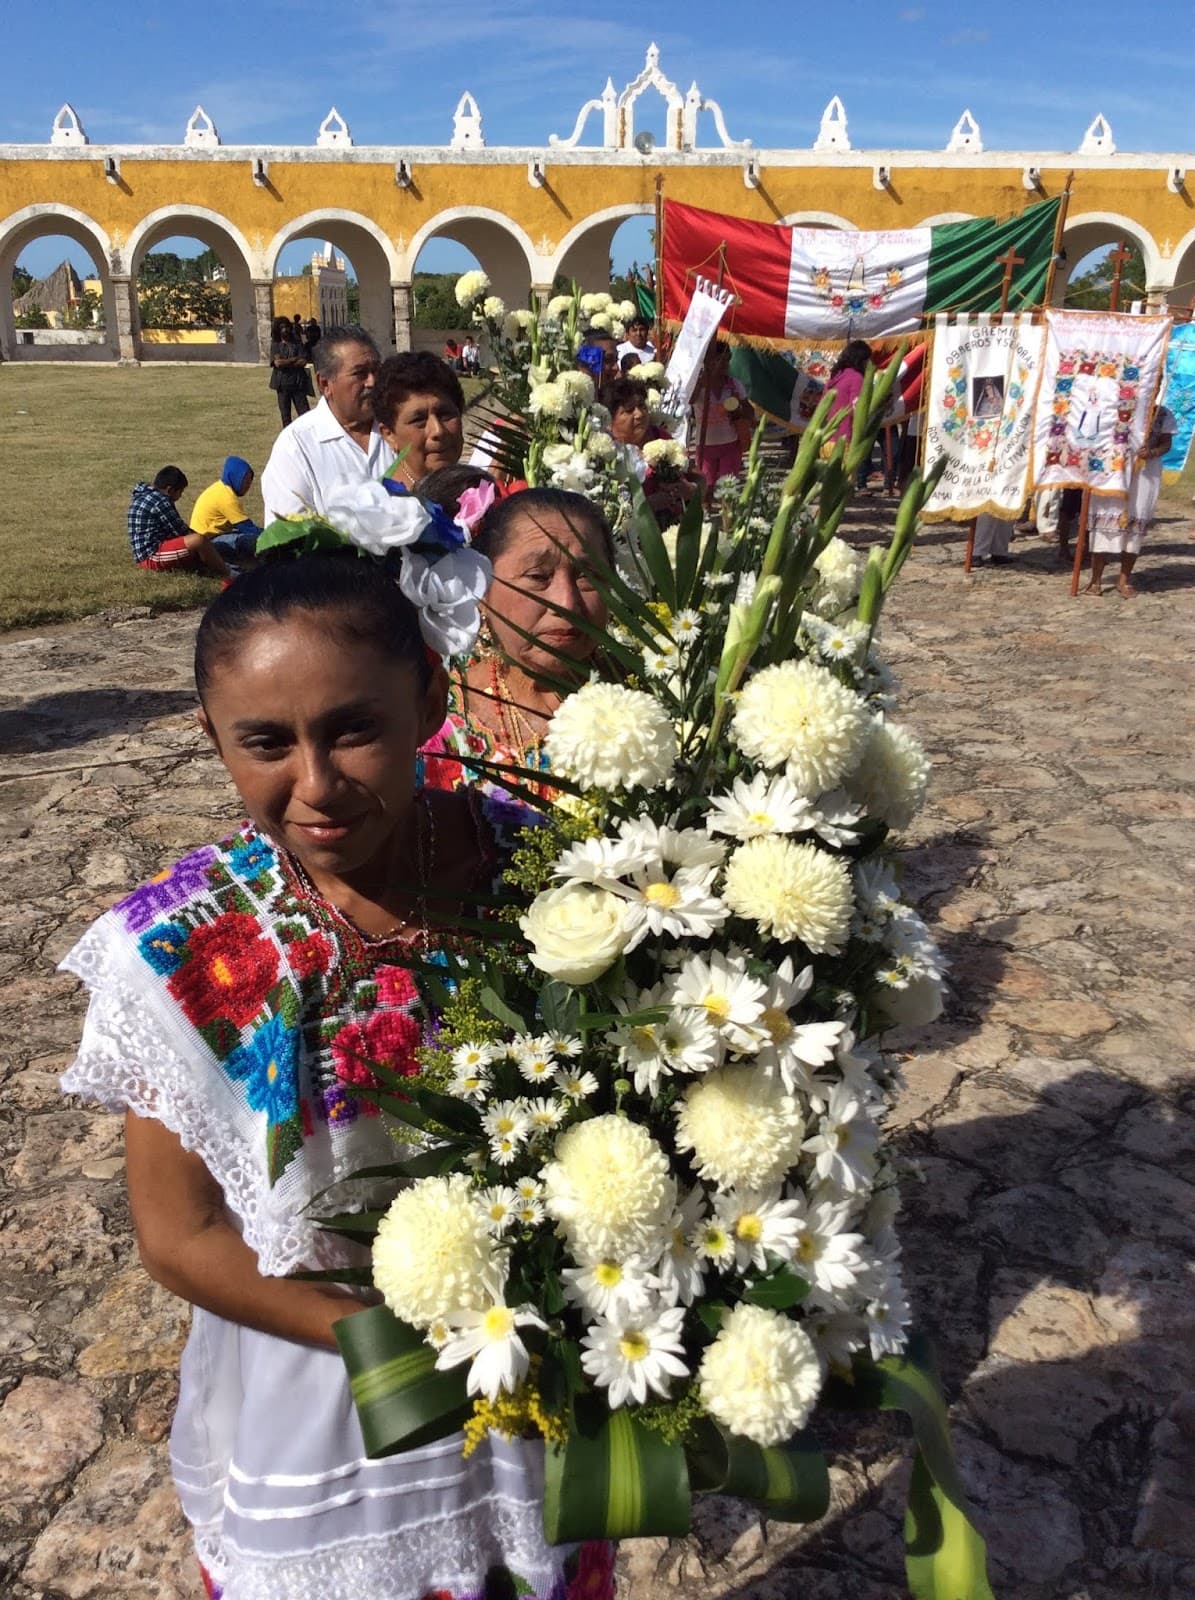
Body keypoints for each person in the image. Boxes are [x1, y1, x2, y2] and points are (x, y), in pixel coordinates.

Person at [57, 553, 615, 1600]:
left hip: (538, 1362)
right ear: (212, 739)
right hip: (326, 1389)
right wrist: (410, 1349)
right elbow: (180, 1237)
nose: (315, 784)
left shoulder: (544, 881)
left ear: (431, 701)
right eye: (266, 742)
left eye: (353, 727)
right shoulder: (182, 948)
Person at [420, 486, 611, 798]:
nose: (567, 602)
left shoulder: (654, 704)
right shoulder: (434, 718)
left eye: (587, 576)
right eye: (538, 576)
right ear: (481, 588)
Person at [261, 327, 387, 523]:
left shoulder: (399, 427)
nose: (372, 381)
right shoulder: (296, 447)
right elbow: (289, 539)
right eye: (360, 373)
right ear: (325, 384)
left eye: (376, 370)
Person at [1085, 403, 1177, 598]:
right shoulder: (1114, 406)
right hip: (1113, 470)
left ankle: (1124, 580)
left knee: (1135, 526)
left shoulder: (1162, 414)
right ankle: (1096, 580)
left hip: (1145, 473)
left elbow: (1166, 443)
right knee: (1104, 524)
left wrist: (1151, 452)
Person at [372, 351, 465, 489]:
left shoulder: (482, 493)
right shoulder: (378, 506)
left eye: (445, 415)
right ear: (389, 435)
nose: (438, 431)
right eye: (419, 420)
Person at [126, 467, 227, 578]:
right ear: (170, 490)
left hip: (144, 553)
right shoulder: (161, 502)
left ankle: (208, 563)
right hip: (151, 556)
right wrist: (204, 543)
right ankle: (227, 572)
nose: (181, 496)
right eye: (180, 492)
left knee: (199, 543)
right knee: (199, 540)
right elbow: (181, 532)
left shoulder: (145, 495)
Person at [690, 342, 751, 489]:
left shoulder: (734, 384)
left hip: (731, 444)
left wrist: (738, 411)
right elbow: (689, 400)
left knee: (728, 487)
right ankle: (706, 509)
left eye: (726, 359)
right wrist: (701, 384)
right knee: (706, 487)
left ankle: (727, 512)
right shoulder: (698, 385)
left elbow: (750, 412)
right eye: (717, 360)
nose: (722, 364)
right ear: (707, 362)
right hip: (705, 446)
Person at [190, 456, 263, 569]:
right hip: (209, 543)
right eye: (245, 480)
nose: (248, 485)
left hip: (204, 538)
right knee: (250, 540)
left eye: (250, 481)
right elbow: (247, 527)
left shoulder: (220, 488)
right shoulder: (227, 498)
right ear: (235, 477)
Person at [826, 339, 874, 489]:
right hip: (844, 440)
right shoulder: (856, 378)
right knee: (841, 488)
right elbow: (857, 409)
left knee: (829, 487)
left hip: (828, 439)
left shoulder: (836, 376)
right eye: (867, 360)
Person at [268, 314, 311, 429]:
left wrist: (286, 362)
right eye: (282, 327)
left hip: (297, 383)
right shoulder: (276, 345)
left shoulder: (296, 343)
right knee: (285, 416)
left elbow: (303, 361)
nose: (285, 330)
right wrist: (294, 359)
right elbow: (277, 363)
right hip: (282, 384)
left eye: (286, 327)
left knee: (305, 413)